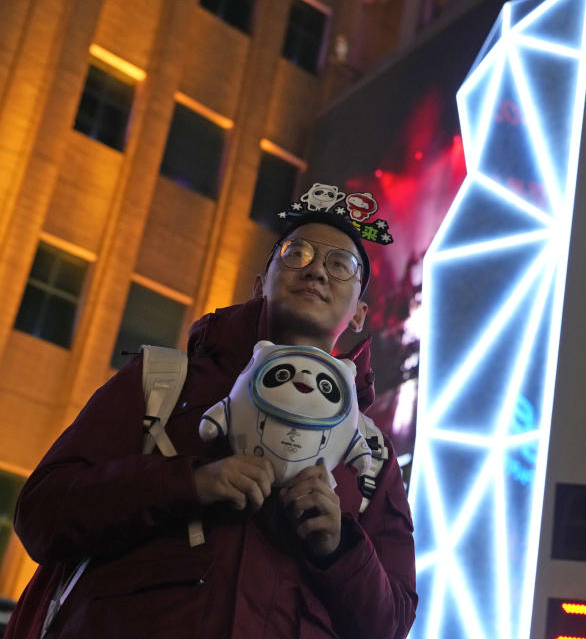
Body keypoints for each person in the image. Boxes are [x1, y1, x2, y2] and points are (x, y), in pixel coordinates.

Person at [4, 189, 417, 638]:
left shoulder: (372, 455)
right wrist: (189, 483)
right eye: (296, 253)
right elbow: (42, 513)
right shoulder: (164, 382)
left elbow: (391, 623)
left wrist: (340, 546)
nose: (316, 269)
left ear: (359, 314)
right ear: (261, 286)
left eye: (341, 265)